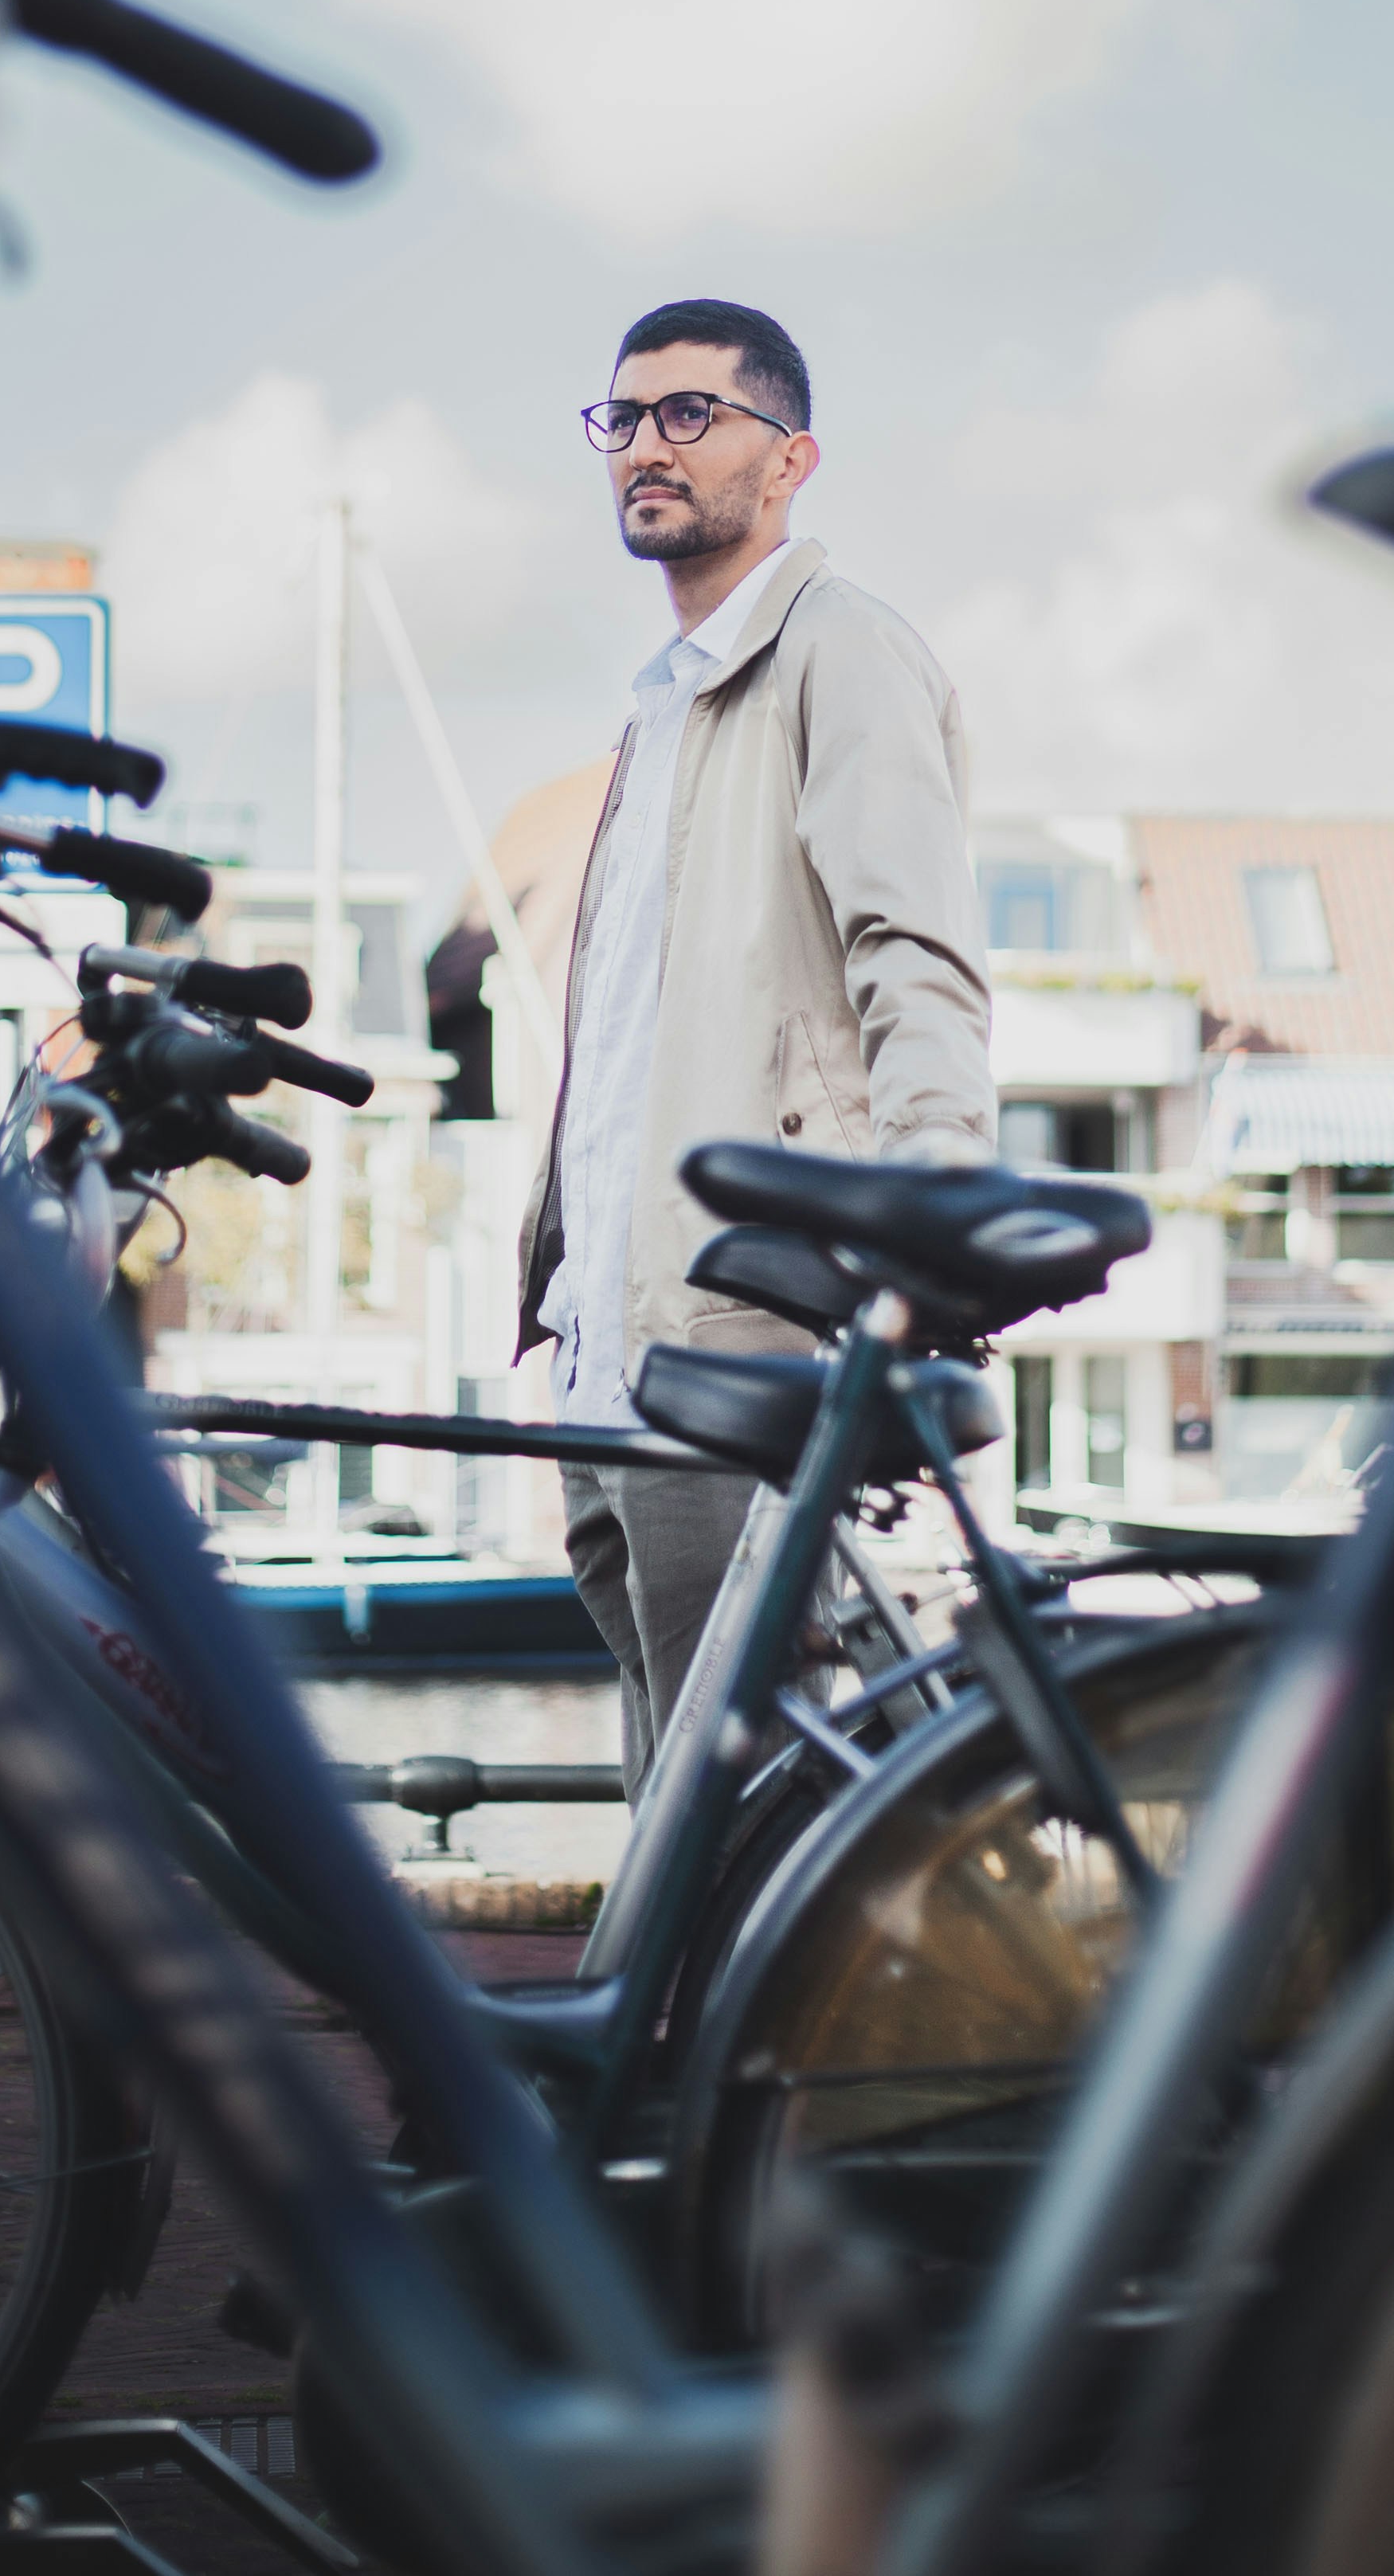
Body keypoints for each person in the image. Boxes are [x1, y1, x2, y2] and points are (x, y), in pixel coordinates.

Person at [518, 299, 995, 1791]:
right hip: (609, 1329)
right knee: (681, 1786)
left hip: (736, 1309)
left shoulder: (838, 651)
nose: (643, 447)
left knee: (742, 1782)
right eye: (621, 418)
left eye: (689, 414)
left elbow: (913, 949)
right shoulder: (656, 712)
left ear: (790, 459)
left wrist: (929, 1202)